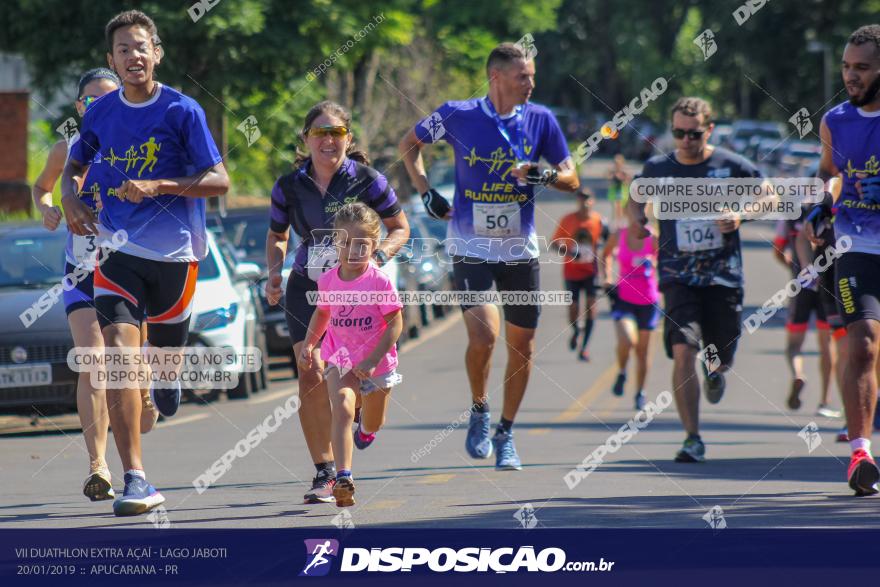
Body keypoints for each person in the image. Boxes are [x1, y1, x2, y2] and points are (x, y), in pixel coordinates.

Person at [61, 10, 229, 515]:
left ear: (156, 53)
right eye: (122, 50)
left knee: (161, 364)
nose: (133, 56)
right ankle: (135, 476)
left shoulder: (183, 111)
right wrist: (71, 199)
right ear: (110, 60)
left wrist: (160, 185)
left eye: (141, 47)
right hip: (116, 254)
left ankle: (169, 375)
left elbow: (220, 181)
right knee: (117, 356)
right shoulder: (102, 113)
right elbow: (75, 166)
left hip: (175, 256)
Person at [399, 42, 580, 470]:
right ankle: (479, 409)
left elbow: (572, 178)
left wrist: (544, 173)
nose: (531, 84)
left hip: (520, 248)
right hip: (470, 244)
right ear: (496, 77)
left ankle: (506, 432)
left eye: (532, 76)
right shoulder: (458, 114)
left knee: (524, 345)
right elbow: (409, 144)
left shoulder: (541, 120)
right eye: (523, 76)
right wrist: (426, 192)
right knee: (483, 336)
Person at [265, 101, 409, 504]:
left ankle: (361, 415)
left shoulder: (368, 179)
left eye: (337, 133)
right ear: (306, 138)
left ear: (348, 137)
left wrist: (376, 258)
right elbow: (277, 235)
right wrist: (274, 271)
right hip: (310, 286)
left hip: (360, 290)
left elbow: (400, 227)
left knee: (360, 376)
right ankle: (326, 473)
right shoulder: (288, 185)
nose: (329, 140)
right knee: (309, 370)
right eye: (320, 133)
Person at [31, 67, 159, 502]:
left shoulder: (137, 149)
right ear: (79, 106)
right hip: (82, 270)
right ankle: (99, 466)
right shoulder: (66, 148)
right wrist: (48, 209)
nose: (98, 107)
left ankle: (144, 388)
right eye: (90, 101)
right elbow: (41, 187)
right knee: (92, 361)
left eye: (109, 97)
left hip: (129, 266)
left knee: (131, 374)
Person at [629, 96, 761, 463]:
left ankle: (716, 372)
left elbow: (766, 195)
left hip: (723, 277)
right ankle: (692, 438)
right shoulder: (658, 167)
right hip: (677, 274)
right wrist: (635, 220)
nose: (685, 140)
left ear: (709, 130)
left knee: (720, 356)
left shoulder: (730, 165)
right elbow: (635, 197)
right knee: (684, 350)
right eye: (678, 133)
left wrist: (739, 215)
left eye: (694, 133)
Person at [804, 25, 880, 495]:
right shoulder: (835, 119)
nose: (851, 76)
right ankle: (859, 452)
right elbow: (829, 173)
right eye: (847, 67)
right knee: (864, 343)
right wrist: (821, 205)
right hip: (858, 247)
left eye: (862, 68)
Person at [299, 203, 404, 507]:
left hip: (377, 361)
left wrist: (372, 360)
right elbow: (322, 313)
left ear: (373, 245)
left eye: (362, 244)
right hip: (341, 356)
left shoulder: (378, 281)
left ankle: (366, 431)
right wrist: (309, 344)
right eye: (346, 242)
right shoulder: (329, 280)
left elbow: (396, 323)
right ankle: (344, 478)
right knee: (343, 408)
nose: (353, 250)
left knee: (373, 421)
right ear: (335, 242)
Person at [772, 213, 841, 418]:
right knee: (827, 344)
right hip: (827, 284)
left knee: (794, 344)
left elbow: (778, 249)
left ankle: (798, 374)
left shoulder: (791, 214)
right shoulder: (831, 211)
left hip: (800, 285)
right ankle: (824, 400)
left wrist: (793, 268)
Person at [602, 204, 660, 410]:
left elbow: (668, 261)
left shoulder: (653, 238)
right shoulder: (619, 235)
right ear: (628, 214)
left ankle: (640, 392)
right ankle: (622, 371)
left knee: (643, 352)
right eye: (634, 213)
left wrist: (656, 267)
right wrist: (607, 278)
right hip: (624, 297)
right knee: (627, 339)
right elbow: (606, 254)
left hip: (648, 300)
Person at [550, 188, 606, 361]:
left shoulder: (598, 221)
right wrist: (568, 251)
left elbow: (605, 242)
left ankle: (585, 348)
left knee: (591, 309)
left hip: (591, 272)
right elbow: (553, 243)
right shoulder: (568, 220)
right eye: (581, 198)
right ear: (578, 201)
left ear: (593, 201)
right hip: (571, 272)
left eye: (587, 198)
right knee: (573, 309)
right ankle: (576, 330)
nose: (584, 202)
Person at [606, 154, 632, 224]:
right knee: (616, 207)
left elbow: (628, 181)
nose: (616, 164)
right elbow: (608, 179)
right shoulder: (612, 171)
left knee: (622, 209)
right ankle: (617, 222)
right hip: (614, 192)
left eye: (618, 163)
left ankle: (621, 222)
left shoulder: (624, 172)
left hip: (622, 191)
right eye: (615, 162)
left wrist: (623, 178)